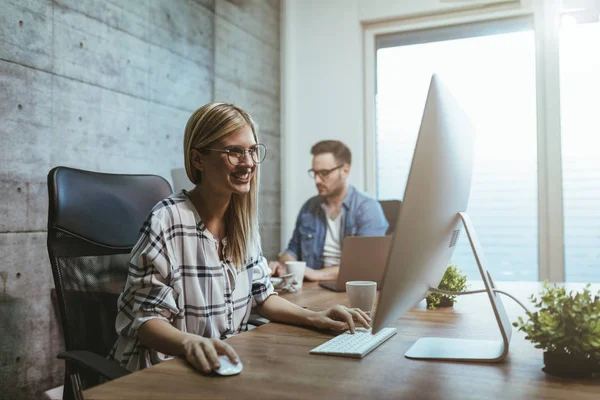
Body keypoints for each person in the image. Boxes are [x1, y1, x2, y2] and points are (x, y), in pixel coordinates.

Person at [108, 103, 370, 374]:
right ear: (198, 159)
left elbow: (263, 296)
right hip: (164, 370)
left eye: (253, 151)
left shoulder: (242, 222)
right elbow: (148, 320)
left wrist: (316, 317)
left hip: (223, 364)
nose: (248, 163)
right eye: (234, 152)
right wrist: (189, 343)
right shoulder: (168, 219)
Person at [270, 140, 388, 282]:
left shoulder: (368, 209)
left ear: (345, 171)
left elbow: (367, 265)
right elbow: (292, 251)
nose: (317, 180)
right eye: (314, 173)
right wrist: (284, 264)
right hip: (312, 289)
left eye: (324, 173)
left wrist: (315, 274)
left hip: (349, 289)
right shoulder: (309, 207)